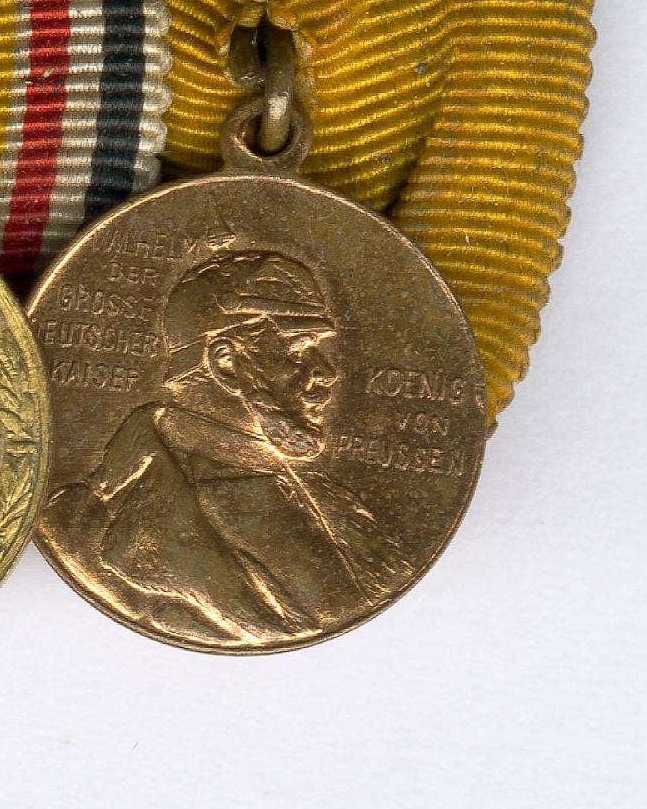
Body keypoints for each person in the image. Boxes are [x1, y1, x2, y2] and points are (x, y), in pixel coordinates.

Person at [47, 250, 413, 647]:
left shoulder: (323, 496)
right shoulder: (124, 515)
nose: (327, 372)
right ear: (226, 364)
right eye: (298, 349)